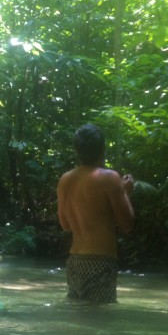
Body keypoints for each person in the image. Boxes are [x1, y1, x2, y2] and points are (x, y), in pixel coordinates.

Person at [57, 123, 134, 303]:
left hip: (74, 261)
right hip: (100, 261)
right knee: (100, 321)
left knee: (79, 319)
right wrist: (126, 193)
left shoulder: (65, 179)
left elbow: (65, 225)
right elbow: (128, 224)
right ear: (102, 149)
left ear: (77, 150)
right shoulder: (110, 178)